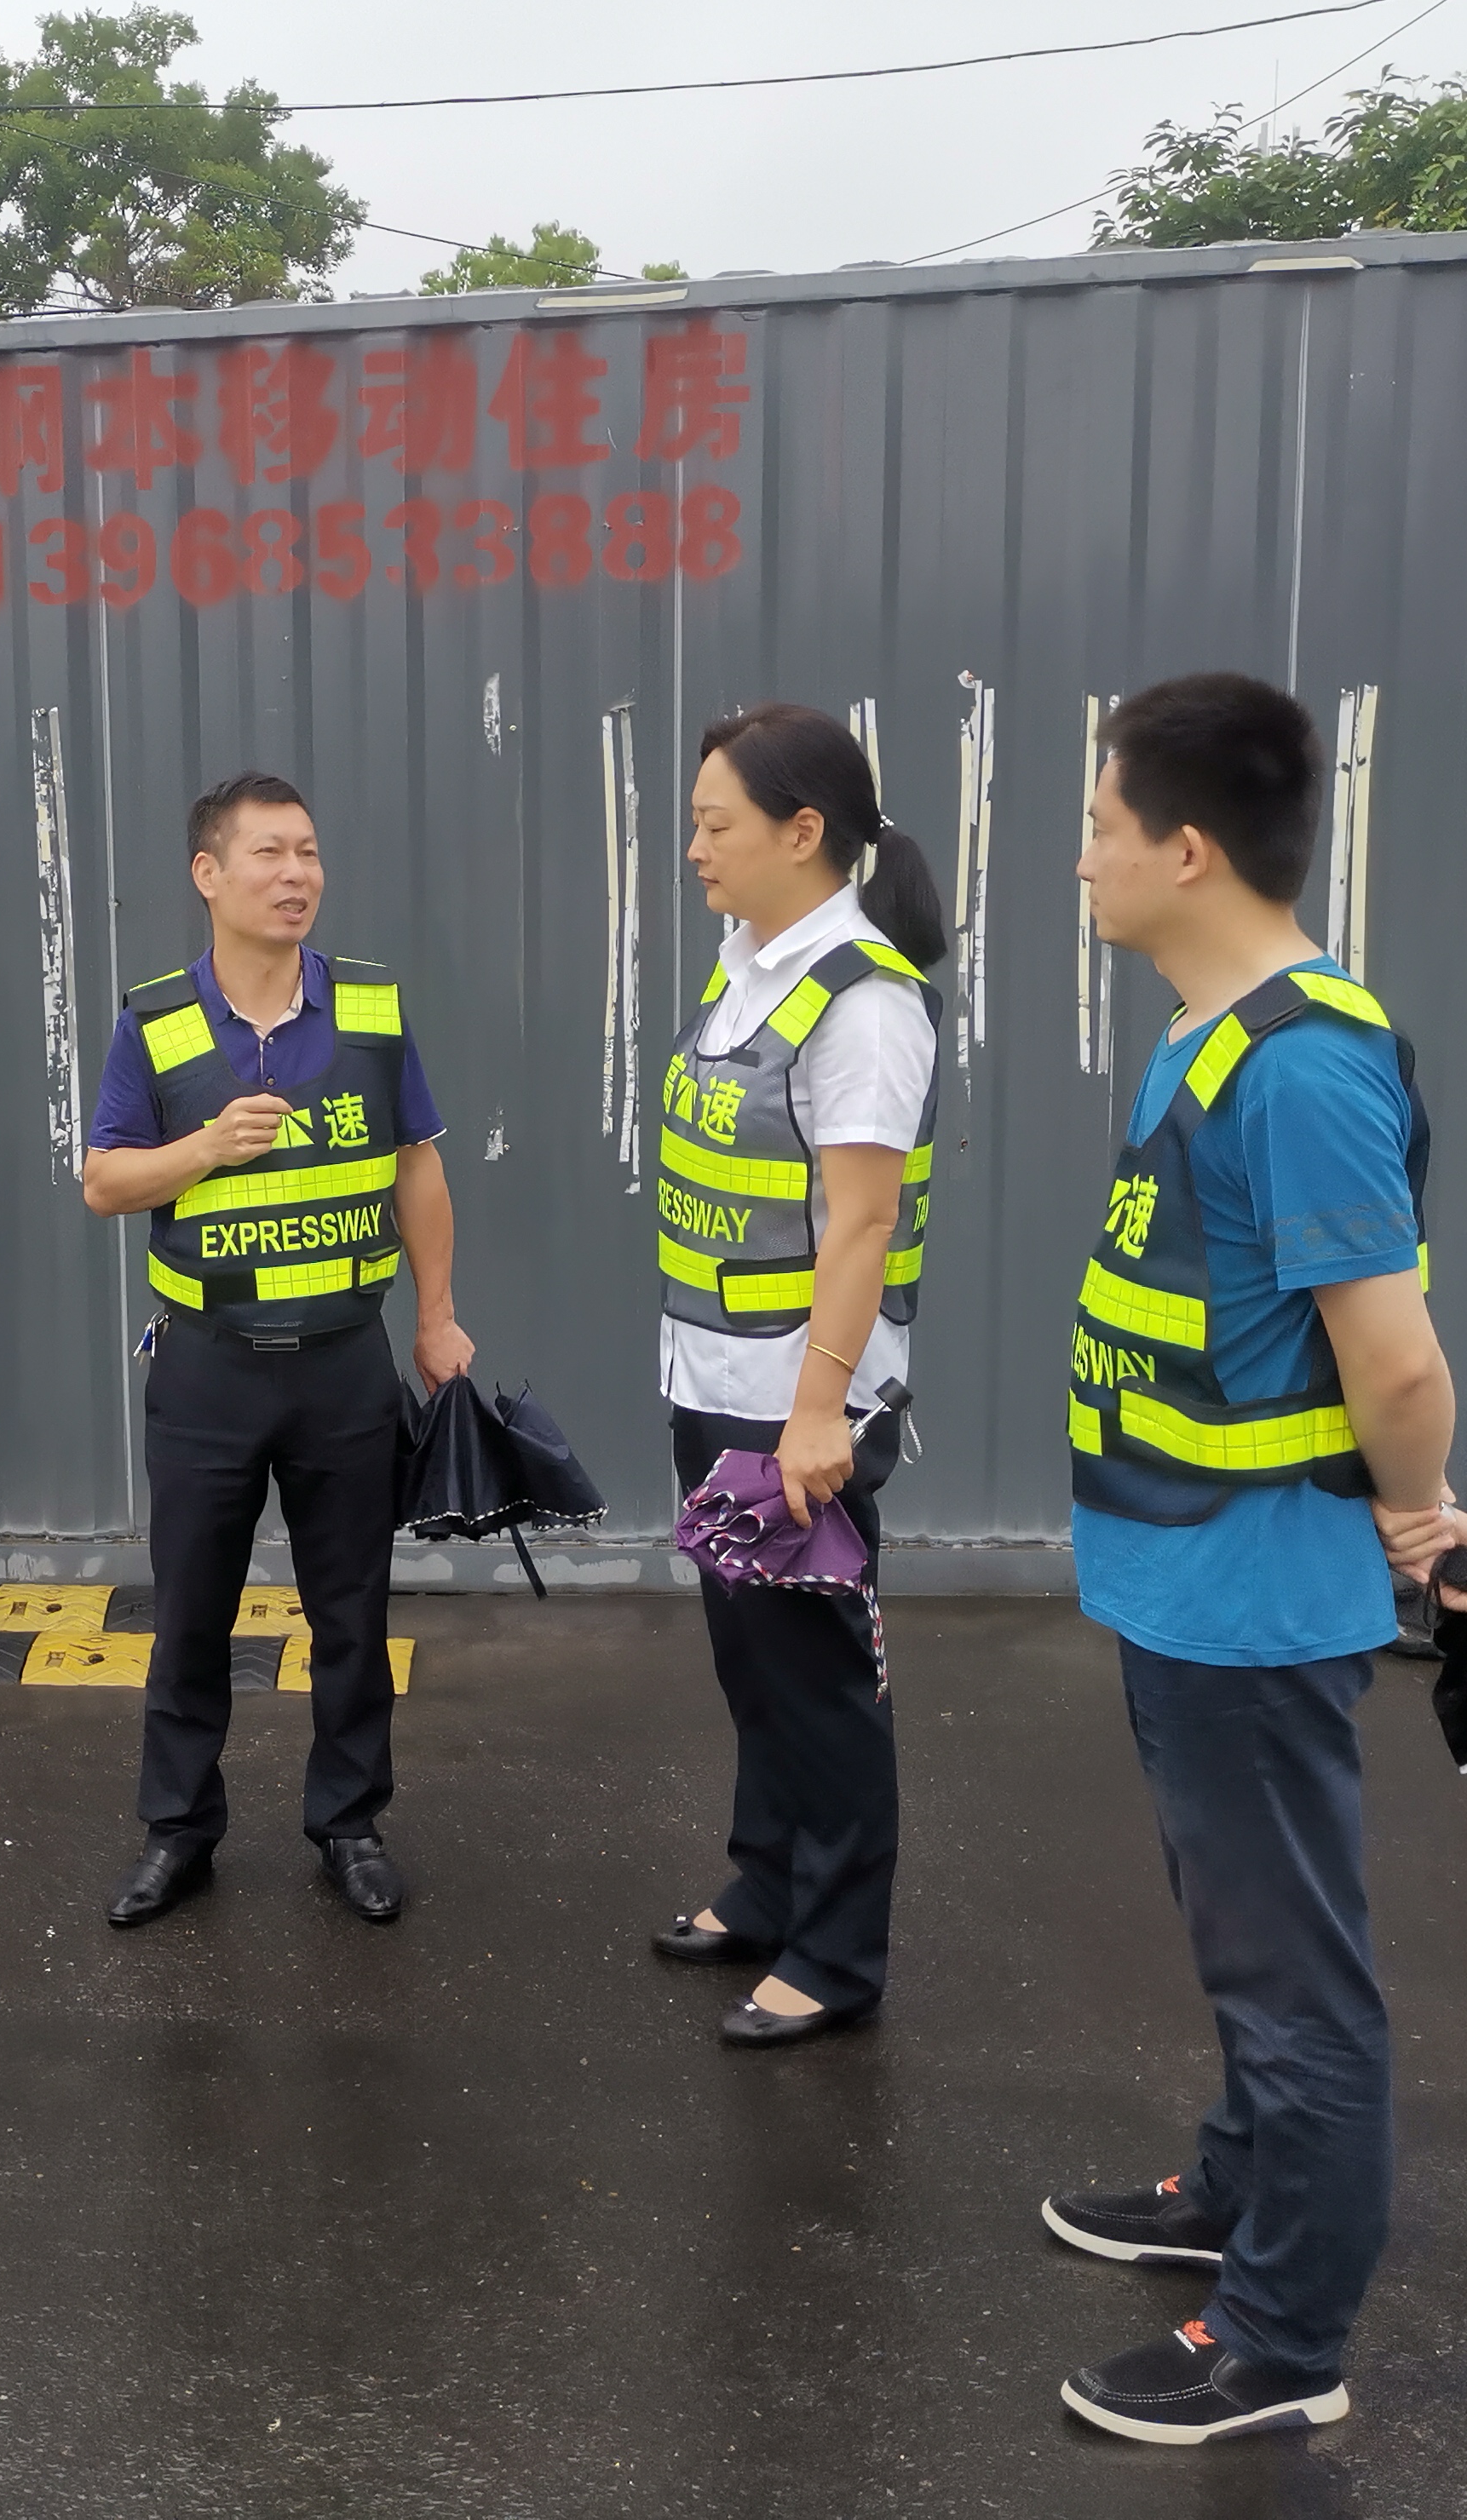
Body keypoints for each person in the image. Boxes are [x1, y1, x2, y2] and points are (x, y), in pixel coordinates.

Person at [1046, 672, 1467, 2447]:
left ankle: (1279, 2336)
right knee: (1236, 1931)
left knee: (1294, 1981)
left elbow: (1391, 1361)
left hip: (1253, 1603)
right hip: (1182, 1576)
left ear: (1185, 848)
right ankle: (1236, 2189)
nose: (1079, 860)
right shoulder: (1207, 1034)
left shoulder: (1306, 1068)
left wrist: (1420, 1515)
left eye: (1097, 827)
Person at [80, 771, 474, 1929]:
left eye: (307, 852)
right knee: (190, 1614)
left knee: (350, 1613)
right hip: (207, 1365)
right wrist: (203, 1148)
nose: (295, 874)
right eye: (268, 853)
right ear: (208, 874)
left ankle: (348, 1823)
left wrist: (436, 1317)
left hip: (345, 1364)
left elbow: (417, 1166)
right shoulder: (155, 1021)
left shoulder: (371, 1009)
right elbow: (105, 1182)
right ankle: (178, 1830)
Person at [643, 706, 948, 2051]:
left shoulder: (863, 1003)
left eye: (717, 824)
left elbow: (864, 1224)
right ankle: (766, 1885)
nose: (696, 847)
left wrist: (819, 1410)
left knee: (819, 1684)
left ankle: (834, 1952)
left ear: (803, 831)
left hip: (795, 1406)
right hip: (715, 1378)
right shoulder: (749, 969)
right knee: (752, 1663)